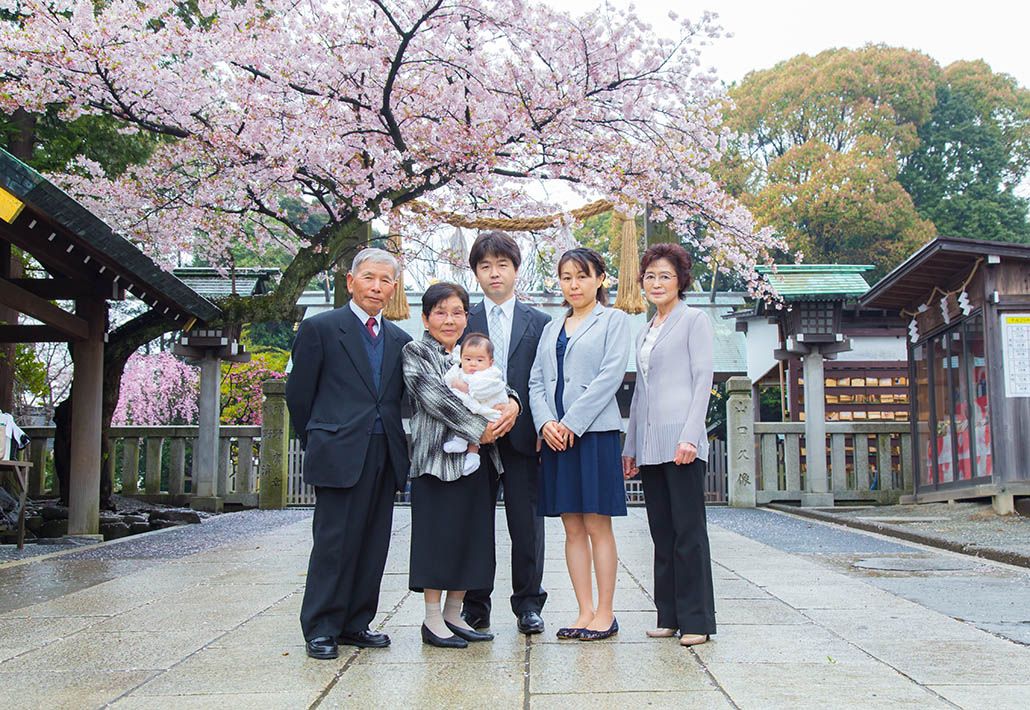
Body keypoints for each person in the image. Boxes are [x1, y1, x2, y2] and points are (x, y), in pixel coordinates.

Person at [286, 248, 412, 660]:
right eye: (369, 278)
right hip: (338, 448)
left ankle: (357, 621)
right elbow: (299, 396)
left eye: (385, 281)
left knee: (374, 541)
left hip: (385, 449)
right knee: (334, 542)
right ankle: (321, 626)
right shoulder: (321, 329)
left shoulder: (400, 339)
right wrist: (319, 438)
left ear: (394, 288)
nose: (377, 287)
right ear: (351, 281)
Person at [403, 282, 521, 649]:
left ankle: (455, 613)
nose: (449, 320)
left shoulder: (472, 351)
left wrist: (513, 405)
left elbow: (501, 383)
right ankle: (432, 619)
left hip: (478, 463)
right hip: (437, 459)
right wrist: (480, 429)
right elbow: (433, 397)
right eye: (440, 312)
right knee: (438, 539)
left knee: (470, 539)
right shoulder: (416, 351)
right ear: (425, 317)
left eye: (457, 312)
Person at [528, 247, 630, 641]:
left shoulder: (614, 320)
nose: (574, 284)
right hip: (556, 438)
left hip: (595, 434)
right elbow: (537, 382)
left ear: (600, 279)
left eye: (582, 276)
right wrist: (546, 424)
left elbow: (610, 376)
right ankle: (584, 610)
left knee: (596, 524)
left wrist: (572, 422)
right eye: (567, 276)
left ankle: (606, 612)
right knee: (571, 526)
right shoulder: (551, 328)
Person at [622, 243, 716, 647]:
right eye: (650, 276)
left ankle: (697, 620)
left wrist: (690, 437)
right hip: (651, 444)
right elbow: (640, 393)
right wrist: (631, 447)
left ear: (681, 281)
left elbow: (703, 380)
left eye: (665, 275)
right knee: (661, 532)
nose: (656, 283)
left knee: (689, 533)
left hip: (682, 440)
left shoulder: (694, 320)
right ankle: (669, 615)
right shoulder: (646, 329)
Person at [462, 231, 551, 636]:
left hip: (524, 438)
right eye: (485, 266)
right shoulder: (462, 319)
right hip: (473, 439)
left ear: (516, 269)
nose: (494, 273)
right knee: (474, 522)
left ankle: (529, 603)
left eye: (502, 265)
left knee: (527, 524)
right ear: (475, 273)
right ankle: (475, 605)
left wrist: (539, 422)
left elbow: (548, 381)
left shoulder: (542, 323)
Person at [442, 333, 508, 475]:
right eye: (468, 359)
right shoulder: (461, 371)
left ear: (490, 362)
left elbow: (482, 390)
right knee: (468, 420)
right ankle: (461, 443)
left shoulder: (490, 375)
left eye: (479, 360)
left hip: (489, 410)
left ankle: (472, 455)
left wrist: (464, 387)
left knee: (478, 428)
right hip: (472, 412)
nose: (473, 363)